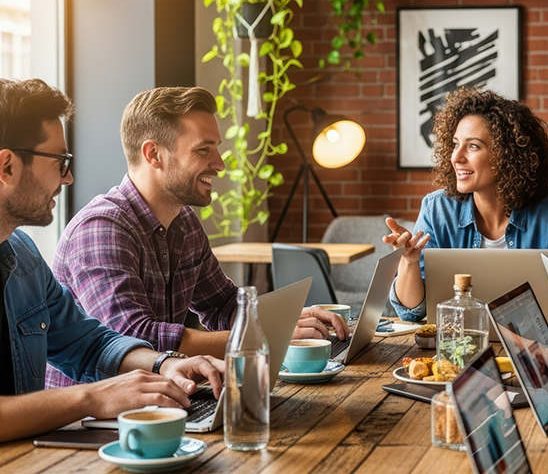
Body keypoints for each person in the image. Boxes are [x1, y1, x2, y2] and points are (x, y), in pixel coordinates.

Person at [45, 86, 347, 389]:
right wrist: (262, 335)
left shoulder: (185, 221)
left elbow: (222, 304)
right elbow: (135, 340)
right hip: (91, 422)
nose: (220, 163)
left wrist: (284, 321)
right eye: (204, 150)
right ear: (153, 154)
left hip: (163, 400)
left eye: (216, 148)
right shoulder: (101, 228)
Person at [0, 78, 224, 442]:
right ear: (7, 166)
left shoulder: (22, 255)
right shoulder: (100, 225)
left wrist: (166, 364)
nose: (69, 177)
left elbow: (90, 343)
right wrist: (91, 397)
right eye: (60, 161)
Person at [385, 87, 548, 321]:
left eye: (473, 146)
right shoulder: (437, 209)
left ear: (507, 155)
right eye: (455, 144)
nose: (456, 157)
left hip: (532, 345)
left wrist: (530, 317)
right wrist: (409, 262)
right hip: (457, 347)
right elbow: (411, 311)